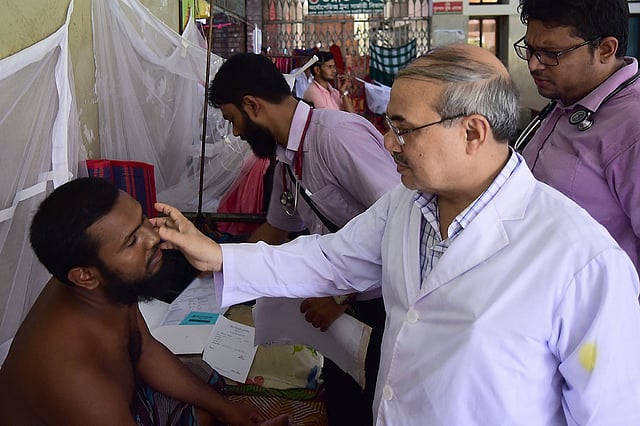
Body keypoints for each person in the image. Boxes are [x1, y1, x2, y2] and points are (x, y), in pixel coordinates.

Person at [154, 44, 640, 424]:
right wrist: (216, 254)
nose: (388, 143)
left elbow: (606, 413)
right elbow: (329, 260)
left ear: (471, 132)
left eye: (403, 129)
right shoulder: (407, 205)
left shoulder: (582, 263)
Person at [0, 177, 289, 426]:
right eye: (130, 241)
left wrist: (227, 410)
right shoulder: (73, 377)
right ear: (85, 277)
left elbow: (143, 349)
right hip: (99, 408)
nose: (153, 237)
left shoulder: (105, 281)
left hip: (120, 400)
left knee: (209, 388)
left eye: (142, 220)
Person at [208, 52, 400, 425]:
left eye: (233, 120)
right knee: (343, 402)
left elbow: (398, 220)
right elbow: (276, 229)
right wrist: (215, 264)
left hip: (377, 306)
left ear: (252, 105)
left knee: (374, 405)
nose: (235, 133)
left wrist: (341, 296)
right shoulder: (287, 161)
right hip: (337, 311)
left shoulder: (335, 136)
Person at [514, 0, 640, 272]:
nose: (534, 65)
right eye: (531, 50)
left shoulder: (632, 127)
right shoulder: (565, 101)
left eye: (551, 53)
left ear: (606, 49)